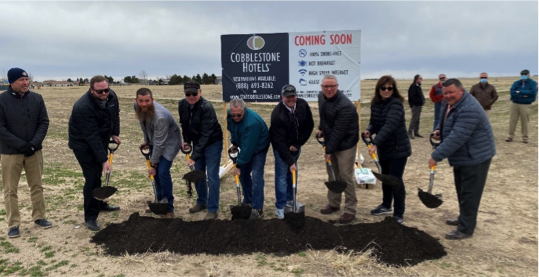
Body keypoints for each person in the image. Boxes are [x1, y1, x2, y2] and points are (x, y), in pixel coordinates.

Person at [429, 78, 495, 240]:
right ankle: (465, 219)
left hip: (475, 155)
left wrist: (436, 156)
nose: (448, 96)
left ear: (461, 90)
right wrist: (439, 130)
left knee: (470, 193)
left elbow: (458, 136)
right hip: (462, 155)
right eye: (445, 93)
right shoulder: (449, 103)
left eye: (451, 92)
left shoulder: (469, 108)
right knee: (462, 189)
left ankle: (466, 229)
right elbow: (444, 120)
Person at [0, 67, 51, 238]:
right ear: (11, 82)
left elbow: (44, 122)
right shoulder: (2, 100)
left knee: (36, 186)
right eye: (21, 80)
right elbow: (1, 129)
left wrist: (34, 144)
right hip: (10, 153)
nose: (25, 82)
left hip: (34, 152)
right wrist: (22, 145)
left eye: (27, 79)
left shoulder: (37, 98)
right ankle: (13, 223)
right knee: (10, 189)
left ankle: (39, 216)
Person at [68, 75, 121, 231]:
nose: (104, 94)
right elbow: (91, 137)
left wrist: (114, 133)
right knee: (92, 178)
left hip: (101, 140)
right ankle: (90, 216)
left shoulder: (112, 96)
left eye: (106, 90)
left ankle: (100, 203)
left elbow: (115, 115)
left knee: (98, 174)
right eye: (100, 92)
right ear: (91, 90)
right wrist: (104, 160)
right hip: (83, 145)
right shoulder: (82, 107)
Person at [365, 76, 411, 224]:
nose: (386, 91)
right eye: (383, 88)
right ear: (378, 89)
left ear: (394, 89)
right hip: (385, 148)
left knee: (395, 180)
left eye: (389, 88)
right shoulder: (375, 103)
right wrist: (369, 131)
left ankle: (399, 212)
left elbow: (390, 125)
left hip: (398, 148)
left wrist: (376, 142)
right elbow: (375, 122)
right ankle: (386, 205)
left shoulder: (396, 104)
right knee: (385, 178)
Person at [317, 74, 359, 224]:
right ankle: (334, 204)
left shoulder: (345, 105)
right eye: (326, 86)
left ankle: (350, 210)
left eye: (332, 86)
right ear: (322, 87)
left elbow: (339, 131)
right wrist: (321, 128)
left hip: (346, 143)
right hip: (332, 140)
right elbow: (324, 116)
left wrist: (329, 151)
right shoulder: (321, 97)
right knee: (333, 173)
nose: (328, 89)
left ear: (337, 87)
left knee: (345, 175)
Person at [178, 81, 223, 220]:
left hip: (212, 142)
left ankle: (213, 208)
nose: (191, 96)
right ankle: (201, 202)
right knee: (198, 174)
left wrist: (194, 156)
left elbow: (206, 134)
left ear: (200, 92)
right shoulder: (182, 104)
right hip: (198, 143)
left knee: (212, 176)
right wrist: (186, 140)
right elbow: (184, 124)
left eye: (194, 93)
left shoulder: (207, 107)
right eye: (188, 94)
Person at [269, 84, 314, 219]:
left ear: (296, 95)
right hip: (281, 147)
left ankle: (290, 200)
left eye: (293, 96)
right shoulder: (277, 114)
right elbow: (278, 141)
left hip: (295, 146)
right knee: (282, 176)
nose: (291, 99)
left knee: (292, 174)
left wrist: (298, 143)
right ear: (282, 97)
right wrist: (289, 161)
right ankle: (280, 206)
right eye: (288, 96)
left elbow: (309, 125)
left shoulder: (303, 105)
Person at [136, 88, 182, 218]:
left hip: (170, 143)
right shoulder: (137, 106)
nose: (144, 104)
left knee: (162, 172)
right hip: (156, 140)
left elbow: (160, 144)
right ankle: (159, 202)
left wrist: (153, 165)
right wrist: (147, 140)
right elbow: (143, 124)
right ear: (136, 100)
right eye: (141, 101)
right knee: (155, 175)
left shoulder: (160, 117)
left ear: (152, 100)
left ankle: (169, 207)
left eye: (147, 101)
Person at [227, 98, 270, 219]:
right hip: (246, 144)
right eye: (233, 114)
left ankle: (257, 208)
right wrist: (234, 143)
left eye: (238, 115)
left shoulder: (252, 123)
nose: (235, 117)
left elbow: (247, 149)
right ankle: (248, 201)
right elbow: (233, 129)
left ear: (244, 111)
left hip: (259, 147)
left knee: (256, 176)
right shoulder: (229, 115)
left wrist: (239, 166)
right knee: (244, 175)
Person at [506, 69, 537, 143]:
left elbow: (532, 92)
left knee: (525, 121)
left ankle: (525, 137)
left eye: (525, 74)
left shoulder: (532, 83)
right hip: (515, 104)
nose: (524, 76)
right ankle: (510, 136)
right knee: (512, 120)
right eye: (522, 74)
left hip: (525, 105)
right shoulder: (516, 83)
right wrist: (523, 96)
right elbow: (512, 91)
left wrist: (520, 92)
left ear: (528, 75)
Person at [407, 74, 425, 139]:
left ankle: (416, 132)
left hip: (419, 105)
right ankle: (409, 132)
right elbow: (412, 97)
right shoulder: (413, 86)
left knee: (417, 119)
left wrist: (422, 101)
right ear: (417, 79)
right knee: (414, 119)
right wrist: (416, 103)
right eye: (420, 78)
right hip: (415, 105)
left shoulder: (418, 86)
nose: (421, 80)